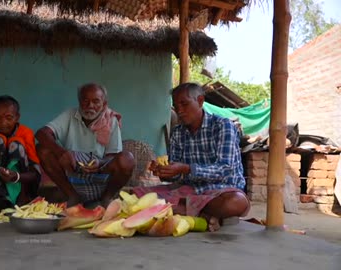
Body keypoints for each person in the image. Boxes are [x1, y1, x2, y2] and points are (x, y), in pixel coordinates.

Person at [135, 82, 250, 231]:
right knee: (136, 194)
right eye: (176, 106)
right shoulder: (178, 132)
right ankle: (204, 215)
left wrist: (187, 168)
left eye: (184, 104)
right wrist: (164, 172)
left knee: (236, 203)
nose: (180, 110)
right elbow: (177, 176)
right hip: (189, 191)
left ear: (200, 101)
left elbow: (225, 169)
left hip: (220, 191)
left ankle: (179, 209)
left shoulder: (223, 126)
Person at [35, 83, 134, 208]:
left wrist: (100, 163)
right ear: (79, 101)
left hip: (101, 174)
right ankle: (72, 196)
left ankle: (106, 198)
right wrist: (61, 152)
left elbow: (113, 156)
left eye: (96, 101)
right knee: (42, 149)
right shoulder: (70, 115)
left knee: (127, 159)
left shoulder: (111, 120)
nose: (90, 105)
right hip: (72, 174)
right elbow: (41, 133)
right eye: (85, 100)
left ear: (104, 104)